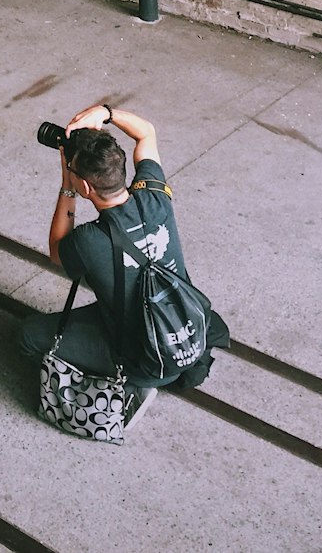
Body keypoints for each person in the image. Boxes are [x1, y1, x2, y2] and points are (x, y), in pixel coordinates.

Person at [20, 101, 189, 429]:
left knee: (30, 336)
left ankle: (132, 386)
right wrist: (106, 113)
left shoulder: (89, 240)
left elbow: (57, 251)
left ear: (85, 187)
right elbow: (146, 134)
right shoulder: (153, 193)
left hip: (149, 357)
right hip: (183, 325)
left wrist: (67, 184)